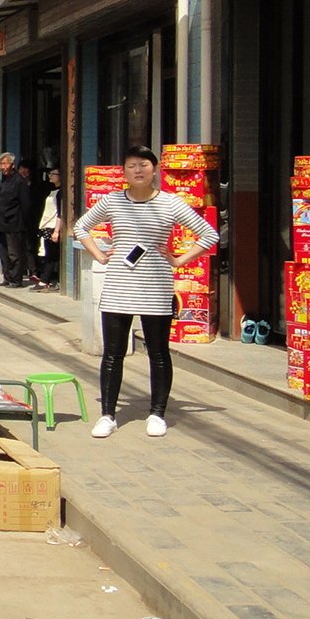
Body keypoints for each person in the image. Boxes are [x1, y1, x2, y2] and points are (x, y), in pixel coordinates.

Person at [73, 146, 218, 440]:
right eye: (130, 166)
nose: (137, 170)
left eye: (143, 165)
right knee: (112, 353)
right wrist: (100, 256)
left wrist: (178, 260)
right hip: (118, 287)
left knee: (158, 353)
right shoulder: (113, 201)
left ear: (155, 169)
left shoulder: (171, 203)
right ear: (124, 172)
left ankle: (157, 413)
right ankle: (108, 415)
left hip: (156, 286)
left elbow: (209, 235)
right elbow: (81, 227)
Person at [0, 153, 31, 288]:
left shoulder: (19, 181)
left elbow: (25, 204)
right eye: (1, 164)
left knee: (14, 253)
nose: (2, 167)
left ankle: (16, 279)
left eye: (5, 164)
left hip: (15, 223)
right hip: (2, 222)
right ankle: (7, 277)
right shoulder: (3, 180)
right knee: (3, 253)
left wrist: (22, 221)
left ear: (12, 165)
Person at [33, 167, 63, 290]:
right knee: (48, 254)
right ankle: (46, 279)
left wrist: (56, 230)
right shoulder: (53, 191)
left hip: (52, 227)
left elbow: (60, 213)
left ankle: (45, 280)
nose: (50, 176)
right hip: (47, 226)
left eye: (54, 174)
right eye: (50, 174)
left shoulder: (61, 193)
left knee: (50, 255)